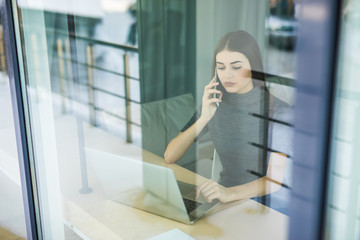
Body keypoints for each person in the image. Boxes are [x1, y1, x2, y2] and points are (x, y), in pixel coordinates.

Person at [164, 30, 293, 207]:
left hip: (266, 206)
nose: (227, 75)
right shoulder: (213, 103)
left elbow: (273, 181)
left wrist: (228, 193)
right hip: (224, 200)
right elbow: (170, 155)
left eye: (236, 67)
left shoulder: (279, 112)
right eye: (221, 67)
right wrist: (204, 117)